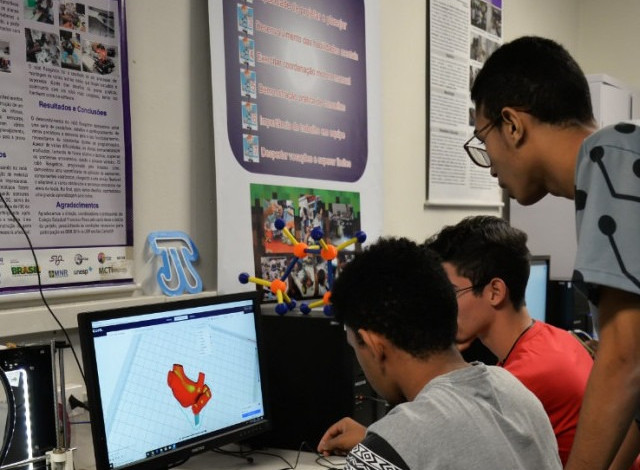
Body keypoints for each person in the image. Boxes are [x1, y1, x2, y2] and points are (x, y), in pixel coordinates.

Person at [467, 36, 640, 470]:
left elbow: (625, 359)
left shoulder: (611, 154)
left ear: (512, 125)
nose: (490, 165)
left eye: (483, 139)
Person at [317, 237, 561, 469]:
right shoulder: (517, 392)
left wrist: (377, 449)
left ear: (374, 345)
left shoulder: (389, 451)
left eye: (355, 348)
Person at [425, 215, 593, 465]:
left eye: (451, 292)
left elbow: (436, 447)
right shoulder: (556, 338)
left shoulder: (520, 380)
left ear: (495, 292)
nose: (443, 305)